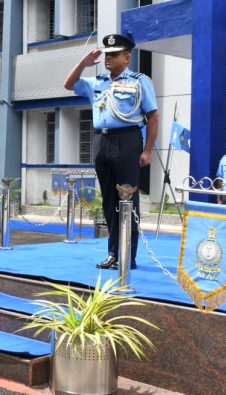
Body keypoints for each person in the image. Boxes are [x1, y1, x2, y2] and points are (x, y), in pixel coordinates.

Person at [63, 34, 159, 270]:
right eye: (107, 54)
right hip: (101, 141)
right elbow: (68, 84)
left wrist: (147, 150)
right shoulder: (98, 82)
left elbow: (153, 117)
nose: (109, 58)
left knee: (127, 199)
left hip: (127, 140)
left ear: (127, 57)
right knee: (109, 201)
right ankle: (113, 253)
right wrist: (83, 63)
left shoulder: (139, 81)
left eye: (114, 54)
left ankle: (128, 255)